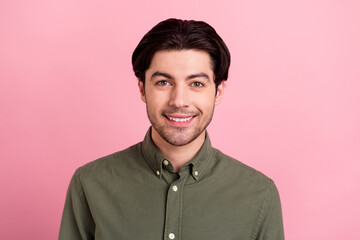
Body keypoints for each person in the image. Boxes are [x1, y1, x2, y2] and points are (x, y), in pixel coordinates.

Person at [59, 18, 284, 240]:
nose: (179, 101)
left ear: (218, 91)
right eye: (163, 82)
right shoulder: (89, 184)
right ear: (142, 89)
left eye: (196, 83)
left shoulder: (259, 195)